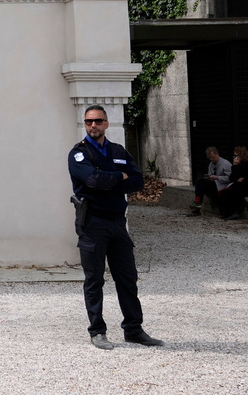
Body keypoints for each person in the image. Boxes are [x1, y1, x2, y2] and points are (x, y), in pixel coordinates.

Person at [68, 104, 164, 350]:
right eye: (89, 121)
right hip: (93, 224)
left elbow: (138, 181)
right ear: (85, 124)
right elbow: (91, 179)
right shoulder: (79, 154)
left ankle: (133, 330)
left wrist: (107, 178)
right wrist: (118, 177)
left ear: (106, 124)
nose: (93, 125)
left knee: (127, 278)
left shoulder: (118, 150)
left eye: (98, 121)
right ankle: (97, 331)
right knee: (94, 280)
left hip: (118, 223)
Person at [190, 146, 232, 216]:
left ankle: (197, 203)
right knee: (200, 182)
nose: (211, 159)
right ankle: (197, 203)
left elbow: (230, 178)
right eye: (210, 158)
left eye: (213, 157)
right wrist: (209, 178)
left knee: (201, 183)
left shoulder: (225, 163)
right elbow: (211, 175)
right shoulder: (211, 165)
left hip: (222, 186)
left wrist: (217, 177)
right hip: (214, 185)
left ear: (217, 154)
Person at [219, 146, 248, 220]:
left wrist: (235, 169)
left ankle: (233, 213)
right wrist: (234, 167)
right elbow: (232, 178)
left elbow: (244, 178)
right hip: (237, 185)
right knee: (222, 193)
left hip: (245, 187)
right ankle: (227, 213)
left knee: (226, 193)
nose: (234, 157)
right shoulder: (237, 165)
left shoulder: (246, 165)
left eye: (235, 156)